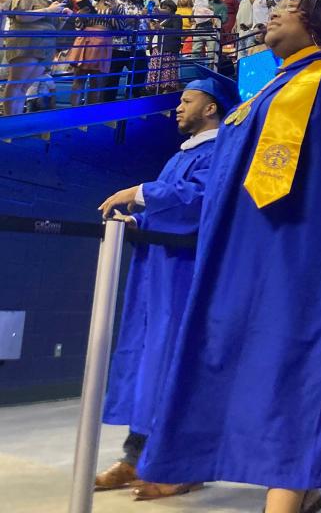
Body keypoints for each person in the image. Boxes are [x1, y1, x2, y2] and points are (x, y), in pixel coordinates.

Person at [137, 0, 321, 513]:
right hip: (245, 258)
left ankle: (288, 494)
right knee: (244, 364)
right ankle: (291, 486)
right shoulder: (261, 95)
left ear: (320, 21)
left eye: (290, 5)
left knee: (302, 366)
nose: (273, 12)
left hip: (307, 255)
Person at [95, 68, 237, 500]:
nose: (178, 106)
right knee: (147, 363)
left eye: (187, 100)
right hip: (158, 271)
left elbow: (198, 202)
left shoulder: (220, 152)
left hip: (185, 273)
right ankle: (136, 457)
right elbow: (168, 203)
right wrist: (137, 219)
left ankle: (184, 465)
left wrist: (138, 192)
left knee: (177, 363)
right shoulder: (182, 154)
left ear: (210, 108)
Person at [1, 0, 65, 116]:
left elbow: (52, 25)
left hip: (44, 44)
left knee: (23, 87)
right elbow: (21, 16)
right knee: (16, 84)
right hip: (27, 42)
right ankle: (10, 120)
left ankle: (16, 119)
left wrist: (62, 17)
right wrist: (49, 11)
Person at [65, 0, 115, 106]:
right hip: (85, 40)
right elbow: (78, 26)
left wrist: (114, 10)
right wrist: (81, 15)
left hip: (103, 42)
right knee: (79, 78)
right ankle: (73, 112)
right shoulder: (89, 4)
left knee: (96, 82)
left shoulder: (116, 5)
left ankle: (90, 115)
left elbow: (120, 26)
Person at [146, 0, 182, 94]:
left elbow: (177, 32)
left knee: (167, 71)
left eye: (167, 8)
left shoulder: (176, 17)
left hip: (168, 49)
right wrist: (151, 27)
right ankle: (154, 90)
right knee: (155, 70)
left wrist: (162, 28)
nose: (164, 10)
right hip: (155, 48)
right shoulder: (158, 18)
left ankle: (167, 90)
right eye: (163, 7)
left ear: (171, 9)